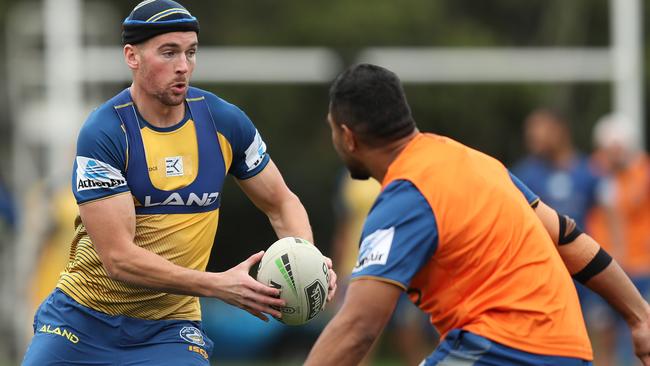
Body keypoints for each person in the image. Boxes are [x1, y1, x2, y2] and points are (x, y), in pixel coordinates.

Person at [21, 1, 336, 365]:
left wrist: (309, 263)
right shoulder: (106, 132)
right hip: (82, 320)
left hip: (170, 329)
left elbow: (281, 203)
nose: (183, 66)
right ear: (132, 56)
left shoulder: (225, 123)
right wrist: (219, 285)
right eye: (168, 53)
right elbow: (119, 259)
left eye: (190, 52)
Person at [305, 63, 650, 366]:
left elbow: (358, 326)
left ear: (348, 137)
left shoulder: (405, 196)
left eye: (332, 129)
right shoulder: (476, 161)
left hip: (503, 349)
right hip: (569, 349)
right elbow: (565, 235)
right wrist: (640, 317)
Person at [588, 114, 650, 366]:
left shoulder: (643, 172)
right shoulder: (594, 175)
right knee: (603, 328)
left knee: (641, 330)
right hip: (606, 265)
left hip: (641, 265)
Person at [512, 108, 600, 229]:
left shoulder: (591, 171)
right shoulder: (523, 175)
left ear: (560, 130)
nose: (532, 135)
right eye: (530, 130)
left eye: (540, 128)